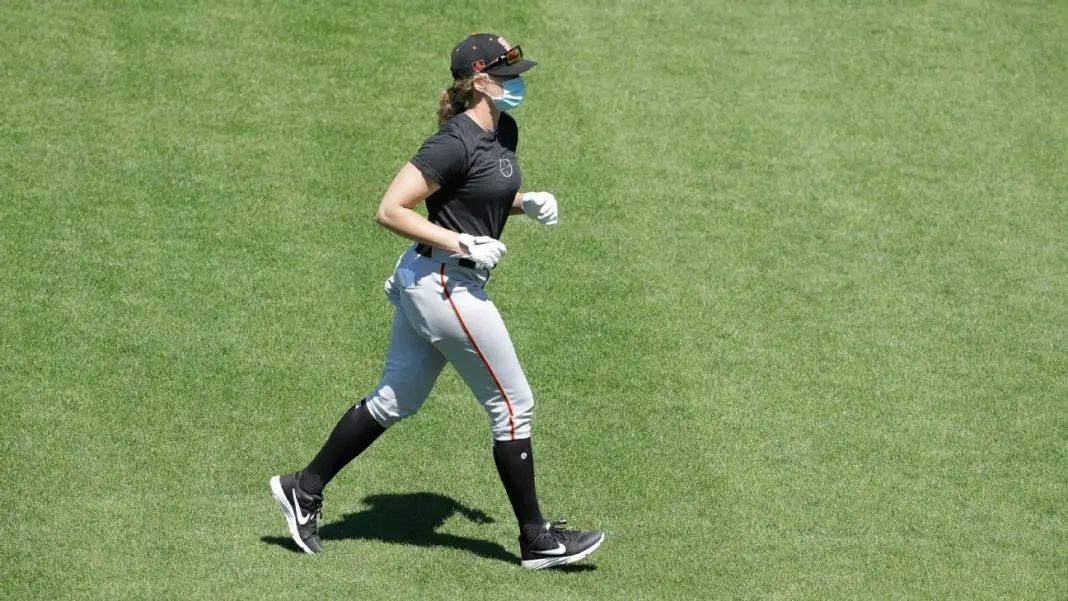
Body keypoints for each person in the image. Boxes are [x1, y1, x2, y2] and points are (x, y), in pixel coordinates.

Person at [269, 32, 604, 570]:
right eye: (507, 76)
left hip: (434, 278)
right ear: (480, 81)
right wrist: (463, 243)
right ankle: (537, 540)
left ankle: (302, 488)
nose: (518, 84)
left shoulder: (504, 130)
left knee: (395, 399)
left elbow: (476, 194)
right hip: (446, 283)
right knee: (513, 405)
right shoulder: (451, 142)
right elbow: (390, 209)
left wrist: (524, 203)